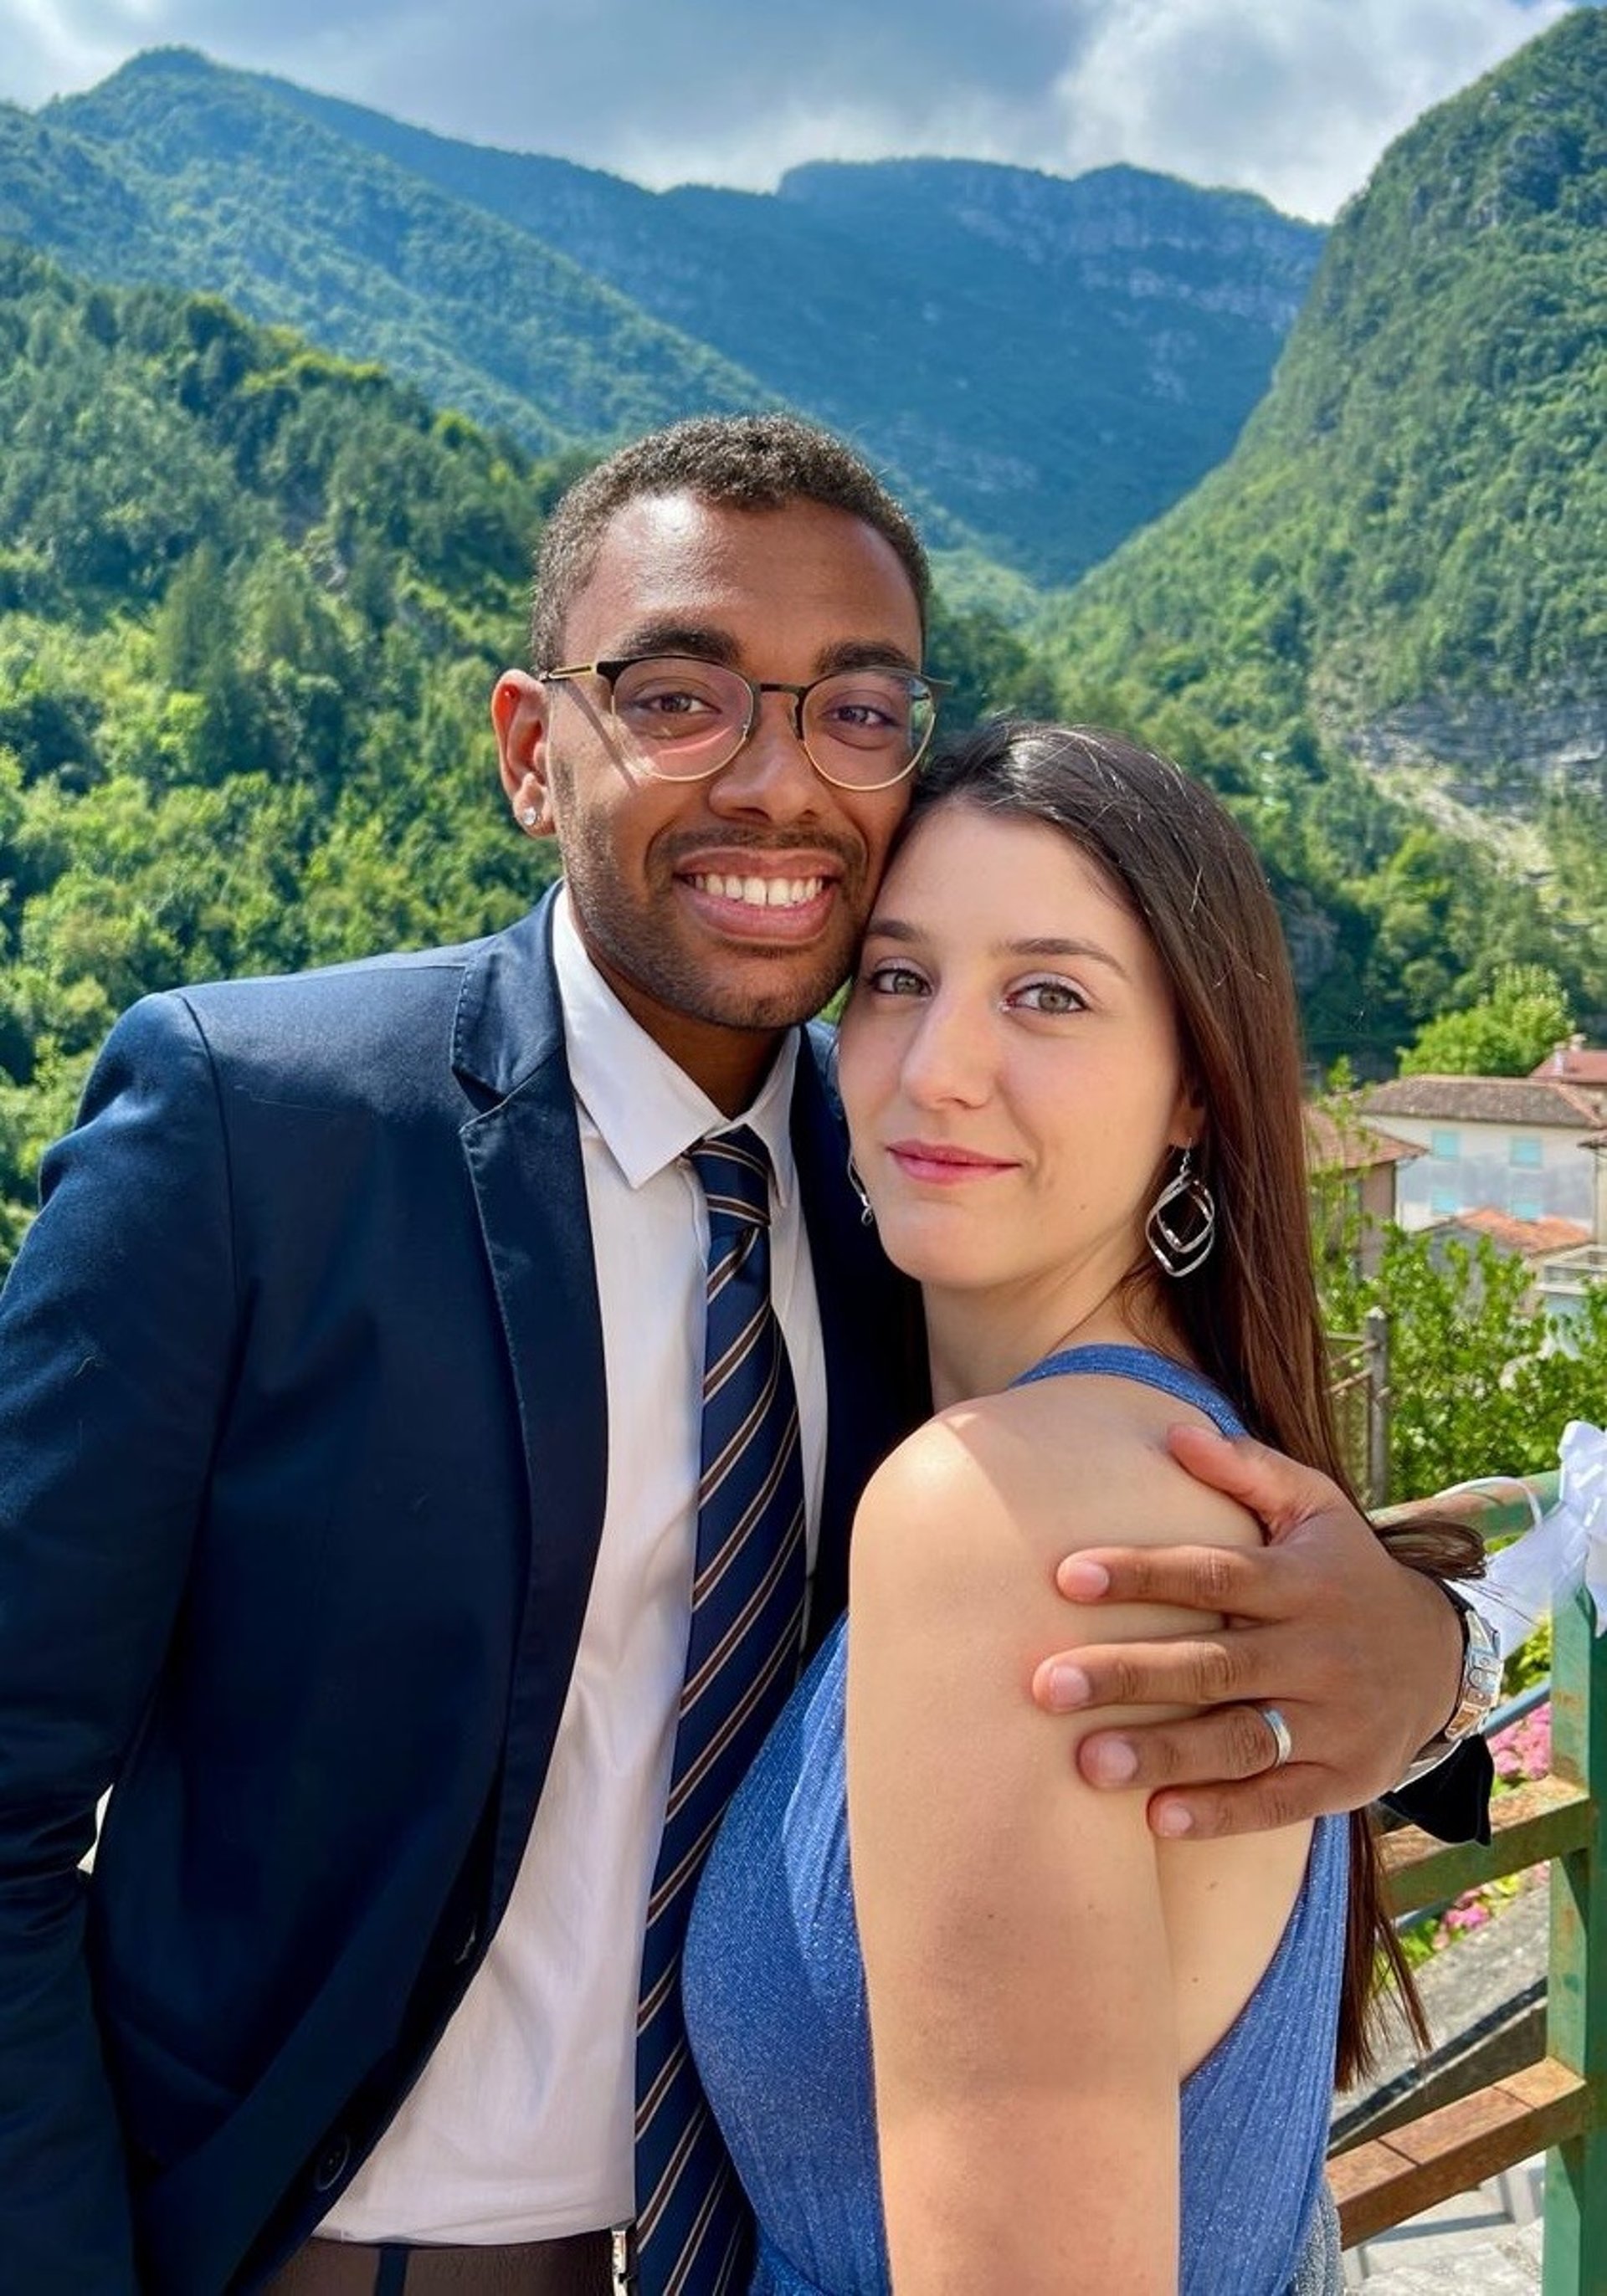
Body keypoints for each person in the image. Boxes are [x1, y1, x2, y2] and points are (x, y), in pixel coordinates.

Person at [0, 418, 1490, 2296]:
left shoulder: (917, 1214)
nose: (780, 782)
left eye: (857, 714)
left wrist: (1431, 1664)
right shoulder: (259, 1130)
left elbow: (1119, 1664)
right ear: (536, 750)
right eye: (683, 694)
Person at [682, 720, 1481, 2296]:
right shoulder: (1180, 1454)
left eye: (1048, 995)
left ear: (1196, 1089)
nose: (937, 1065)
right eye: (899, 979)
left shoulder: (997, 1514)